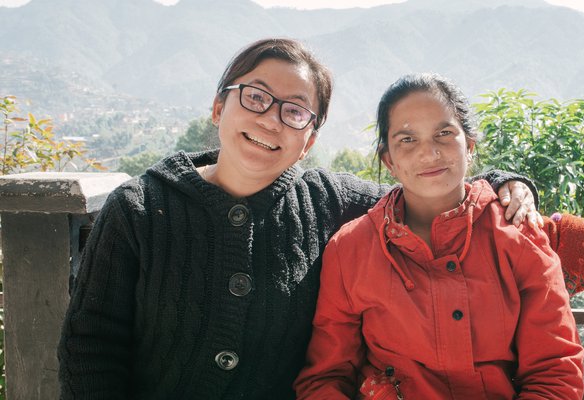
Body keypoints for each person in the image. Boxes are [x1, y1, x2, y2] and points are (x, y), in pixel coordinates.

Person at [57, 38, 541, 400]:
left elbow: (423, 187)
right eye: (255, 97)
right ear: (219, 106)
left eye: (295, 112)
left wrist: (504, 181)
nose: (271, 119)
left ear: (309, 140)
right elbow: (91, 348)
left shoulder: (327, 201)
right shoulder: (138, 210)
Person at [294, 73, 584, 399]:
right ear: (388, 160)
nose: (429, 153)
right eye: (407, 139)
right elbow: (326, 378)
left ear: (469, 146)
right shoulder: (351, 250)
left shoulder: (518, 235)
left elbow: (555, 372)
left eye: (444, 134)